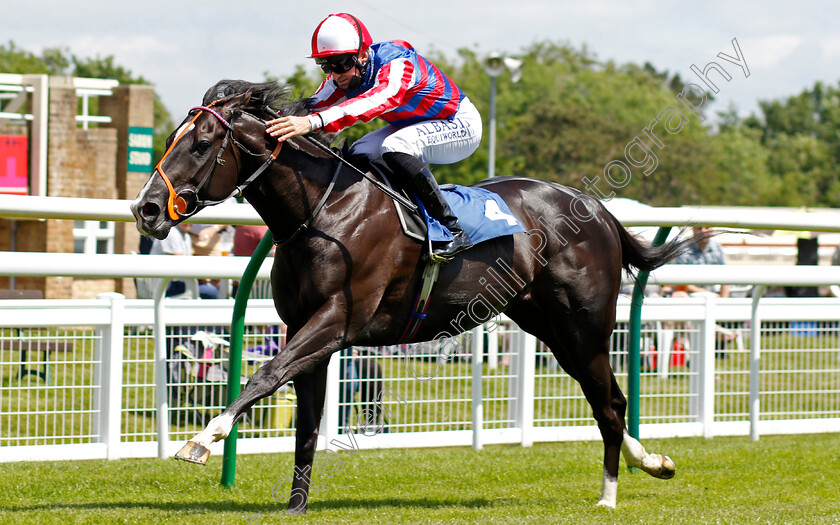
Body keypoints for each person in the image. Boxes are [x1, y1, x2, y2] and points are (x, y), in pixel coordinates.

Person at [266, 12, 483, 260]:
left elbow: (376, 101)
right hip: (412, 125)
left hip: (457, 123)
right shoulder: (348, 73)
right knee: (359, 152)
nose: (336, 74)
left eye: (341, 63)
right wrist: (265, 120)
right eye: (327, 66)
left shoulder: (399, 63)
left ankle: (452, 228)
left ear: (362, 54)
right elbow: (312, 106)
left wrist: (312, 122)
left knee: (395, 145)